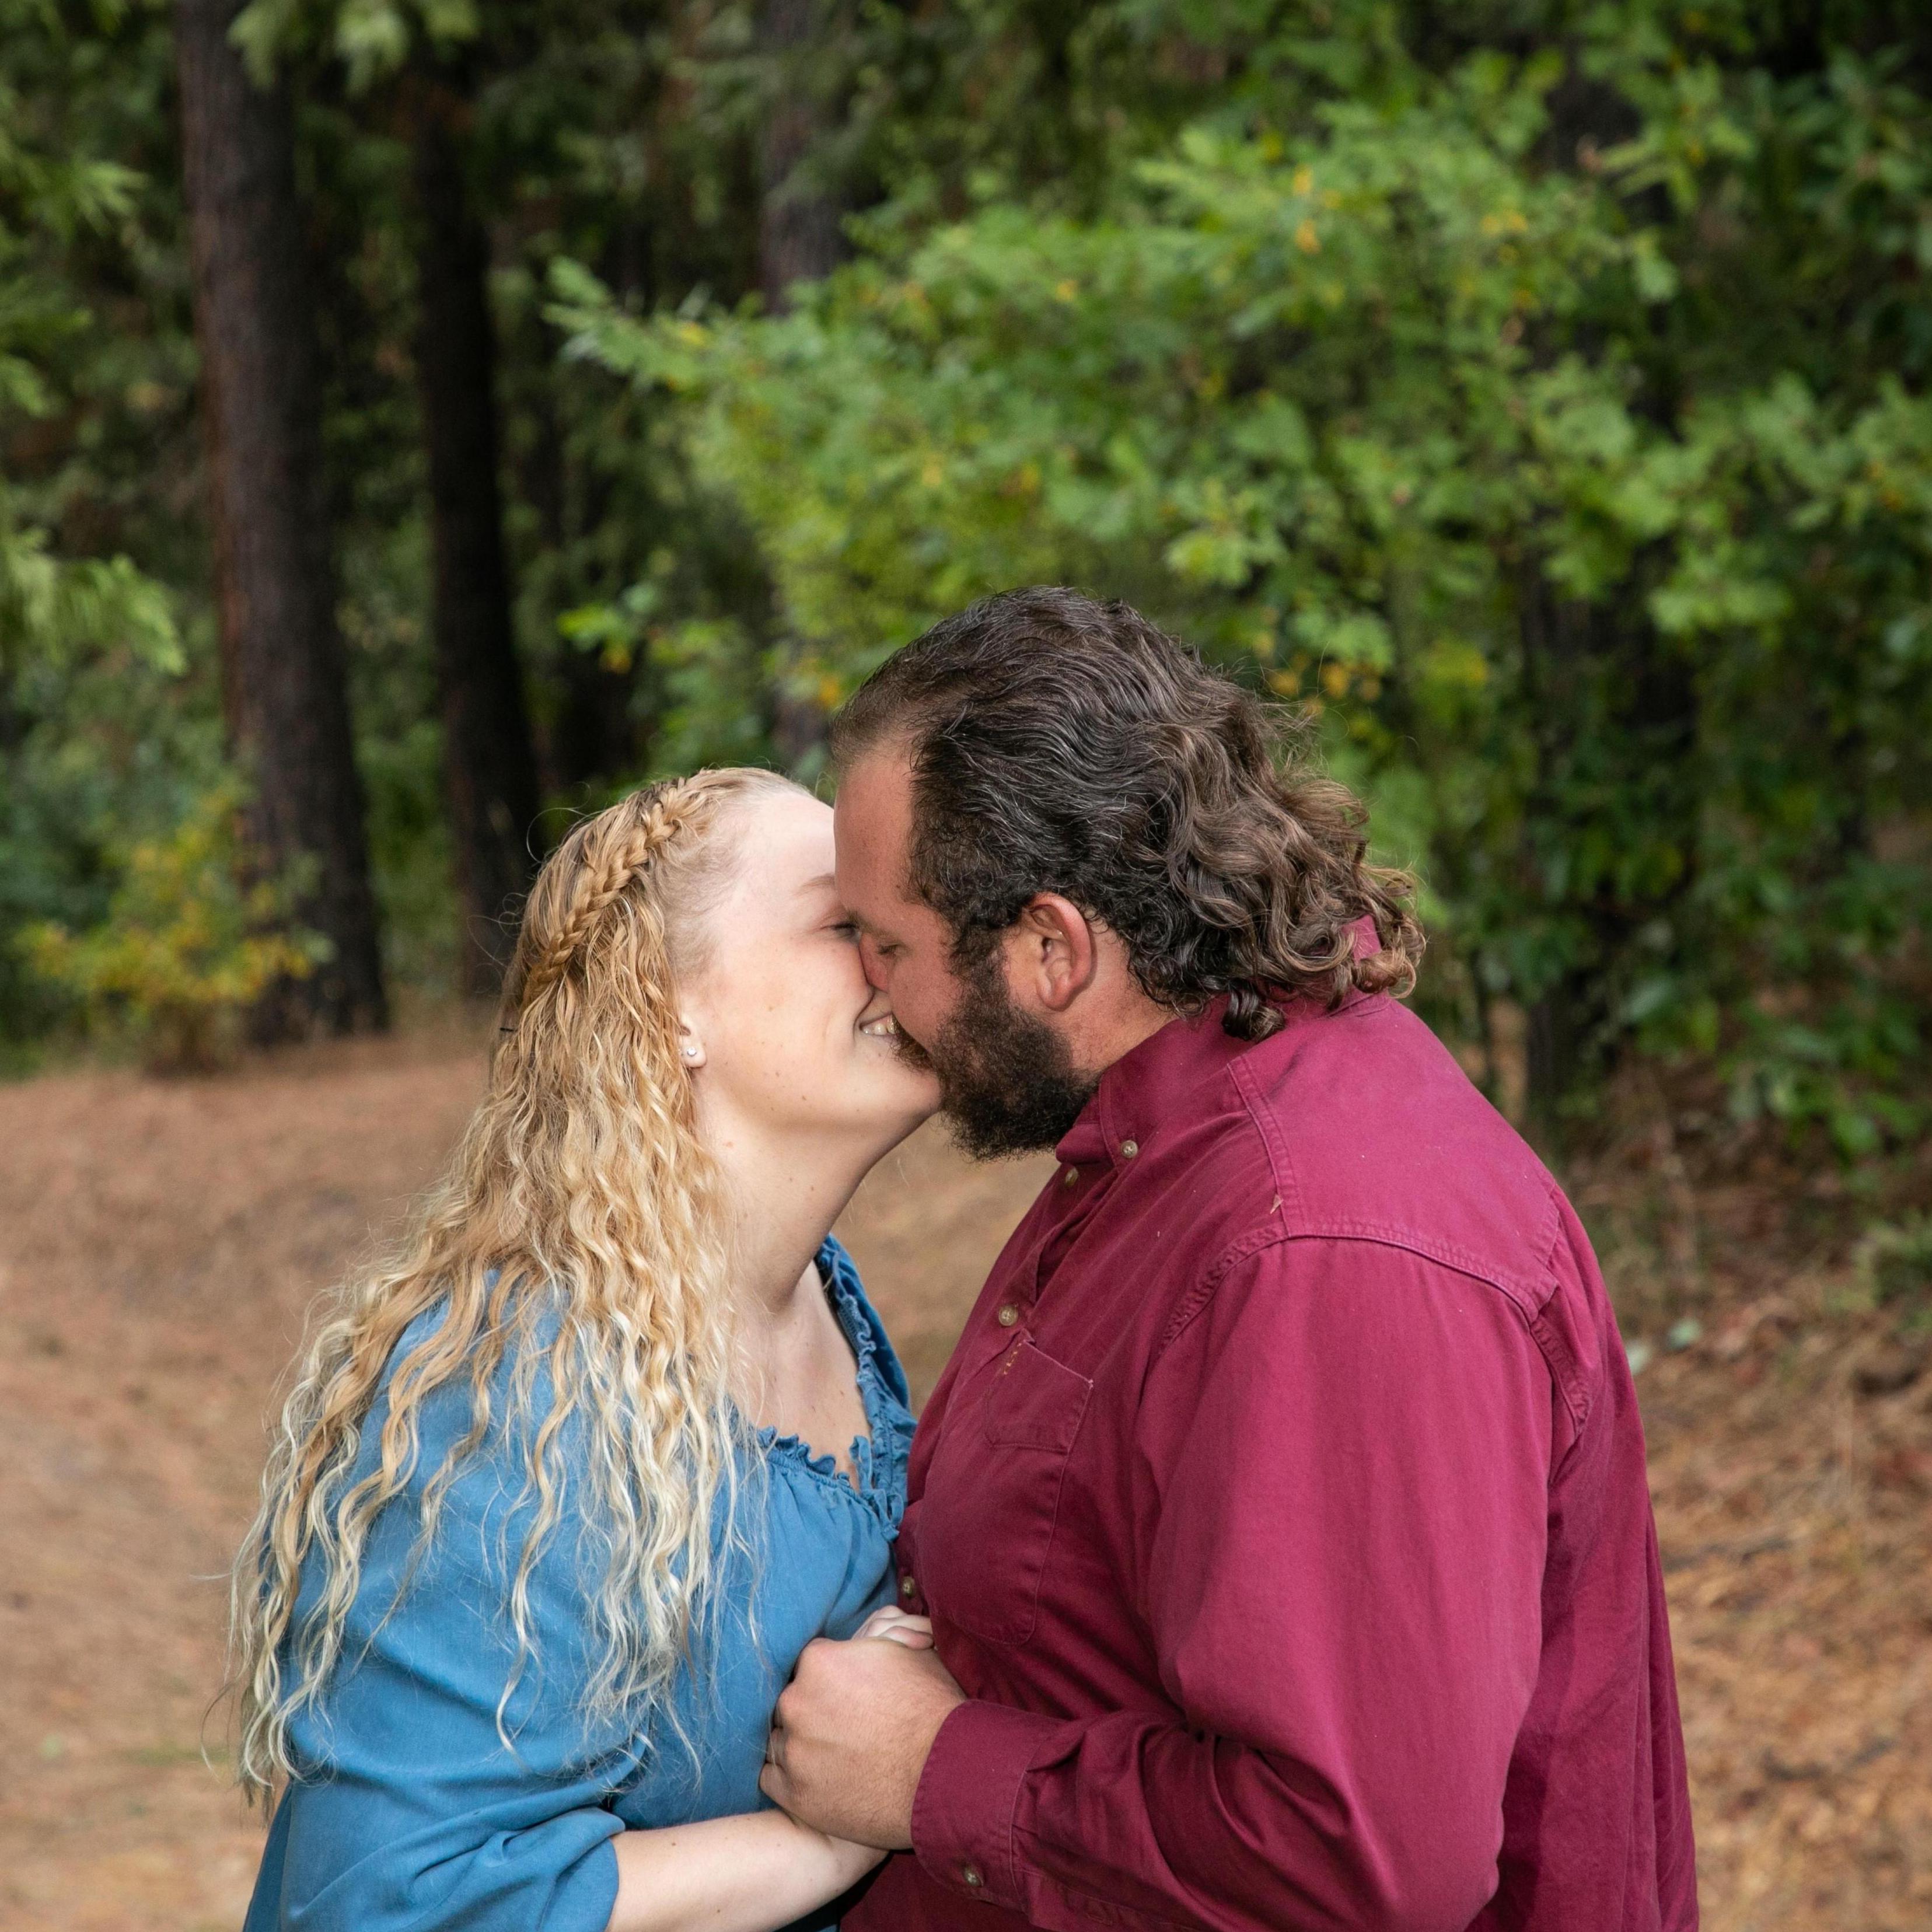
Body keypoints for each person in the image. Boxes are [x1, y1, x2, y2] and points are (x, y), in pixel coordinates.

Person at [759, 588, 1698, 1931]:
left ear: (1050, 949)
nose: (864, 983)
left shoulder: (1325, 1248)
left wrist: (930, 1773)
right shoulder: (1173, 1143)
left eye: (887, 943)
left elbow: (1360, 1862)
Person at [230, 767, 941, 1932]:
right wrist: (835, 1829)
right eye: (843, 921)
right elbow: (405, 1903)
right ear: (672, 1008)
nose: (901, 946)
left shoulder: (828, 1301)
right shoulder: (517, 1397)